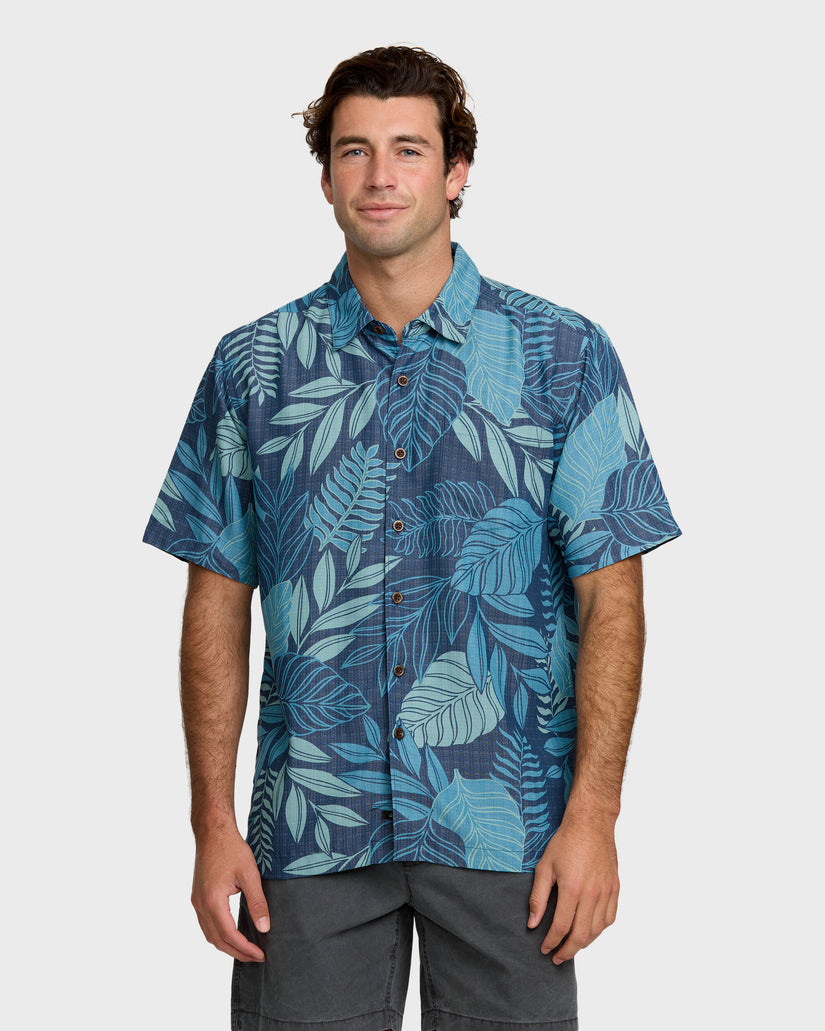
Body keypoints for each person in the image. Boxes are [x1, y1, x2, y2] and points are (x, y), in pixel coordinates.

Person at [144, 44, 680, 1031]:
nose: (379, 176)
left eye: (408, 149)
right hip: (311, 826)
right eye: (353, 151)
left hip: (507, 826)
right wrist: (211, 822)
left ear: (456, 171)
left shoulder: (563, 356)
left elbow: (613, 596)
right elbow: (214, 599)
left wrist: (595, 816)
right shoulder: (253, 366)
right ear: (325, 178)